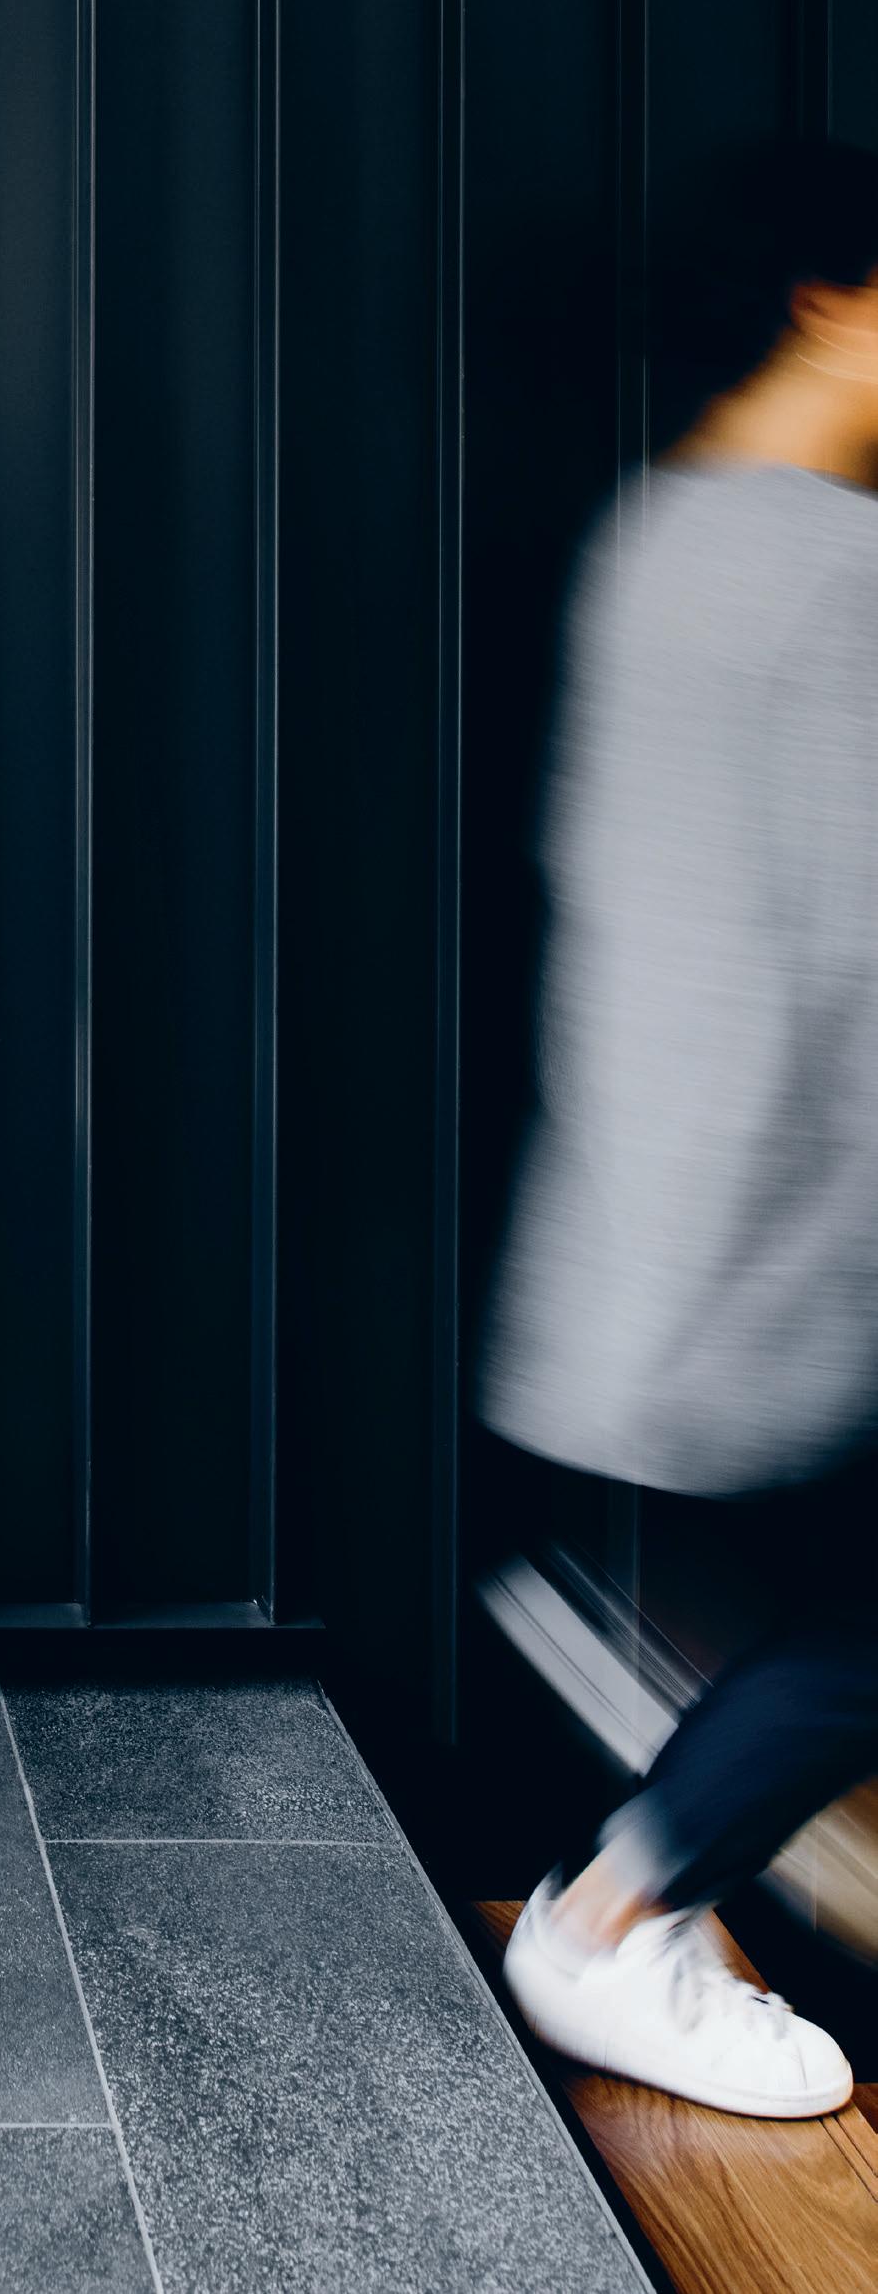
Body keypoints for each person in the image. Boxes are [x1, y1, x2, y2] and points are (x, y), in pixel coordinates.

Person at [485, 139, 878, 2119]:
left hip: (656, 1209)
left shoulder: (659, 533)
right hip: (792, 1229)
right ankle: (618, 1916)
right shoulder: (836, 574)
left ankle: (649, 1783)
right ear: (831, 300)